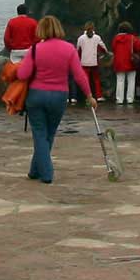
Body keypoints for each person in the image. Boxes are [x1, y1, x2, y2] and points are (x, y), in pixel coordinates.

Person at [16, 15, 96, 183]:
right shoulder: (69, 49)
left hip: (36, 95)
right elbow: (79, 75)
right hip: (59, 96)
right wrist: (89, 95)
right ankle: (34, 170)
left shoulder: (35, 49)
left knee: (39, 134)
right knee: (49, 134)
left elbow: (22, 74)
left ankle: (46, 173)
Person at [75, 22, 108, 103]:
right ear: (94, 28)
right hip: (94, 62)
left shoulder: (81, 38)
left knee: (86, 80)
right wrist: (104, 54)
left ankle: (86, 96)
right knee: (96, 80)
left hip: (84, 62)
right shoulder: (97, 37)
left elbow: (78, 50)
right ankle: (99, 96)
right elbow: (104, 48)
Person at [111, 22, 139, 105]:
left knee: (120, 81)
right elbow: (137, 47)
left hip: (119, 62)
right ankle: (130, 99)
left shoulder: (116, 38)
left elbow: (113, 48)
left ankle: (119, 99)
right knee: (131, 81)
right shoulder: (132, 38)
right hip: (130, 61)